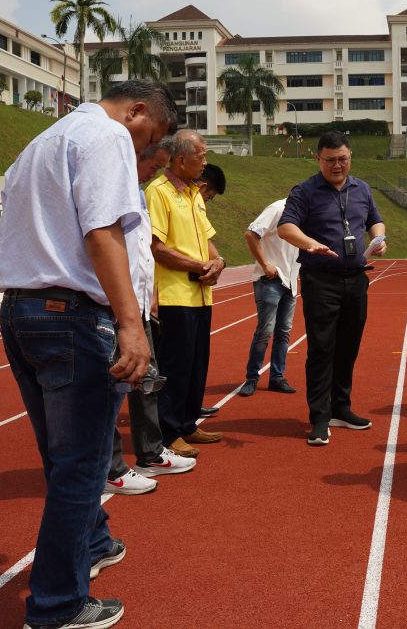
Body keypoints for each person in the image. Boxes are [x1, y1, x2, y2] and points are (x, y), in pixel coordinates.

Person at [0, 79, 176, 629]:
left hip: (24, 312)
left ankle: (94, 543)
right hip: (73, 316)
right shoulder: (105, 136)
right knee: (81, 467)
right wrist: (131, 323)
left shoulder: (43, 142)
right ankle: (55, 606)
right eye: (151, 134)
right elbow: (102, 232)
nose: (146, 147)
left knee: (66, 456)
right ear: (138, 110)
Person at [278, 131, 386, 445]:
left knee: (348, 346)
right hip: (320, 280)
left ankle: (341, 407)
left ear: (350, 157)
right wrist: (311, 244)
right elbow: (286, 227)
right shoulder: (305, 191)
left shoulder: (361, 188)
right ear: (318, 159)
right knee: (322, 348)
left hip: (356, 279)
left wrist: (380, 238)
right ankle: (319, 416)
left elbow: (374, 221)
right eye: (330, 160)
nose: (337, 166)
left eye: (343, 159)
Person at [104, 138, 198, 496]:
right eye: (154, 166)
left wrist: (151, 293)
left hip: (139, 303)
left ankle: (150, 452)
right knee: (112, 389)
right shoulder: (112, 190)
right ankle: (112, 467)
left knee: (147, 381)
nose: (154, 173)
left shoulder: (138, 194)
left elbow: (141, 252)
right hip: (115, 305)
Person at [145, 129, 226, 459]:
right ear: (180, 160)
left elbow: (207, 240)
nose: (205, 163)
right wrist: (198, 266)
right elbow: (156, 247)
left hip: (200, 296)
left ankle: (188, 423)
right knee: (175, 367)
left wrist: (217, 261)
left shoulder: (194, 194)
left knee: (196, 365)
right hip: (175, 295)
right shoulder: (158, 192)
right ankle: (168, 431)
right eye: (201, 156)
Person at [237, 198, 300, 396]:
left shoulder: (304, 214)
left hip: (291, 282)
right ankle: (252, 378)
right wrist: (265, 264)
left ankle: (277, 377)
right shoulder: (277, 208)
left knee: (284, 332)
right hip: (271, 279)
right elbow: (250, 233)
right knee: (265, 331)